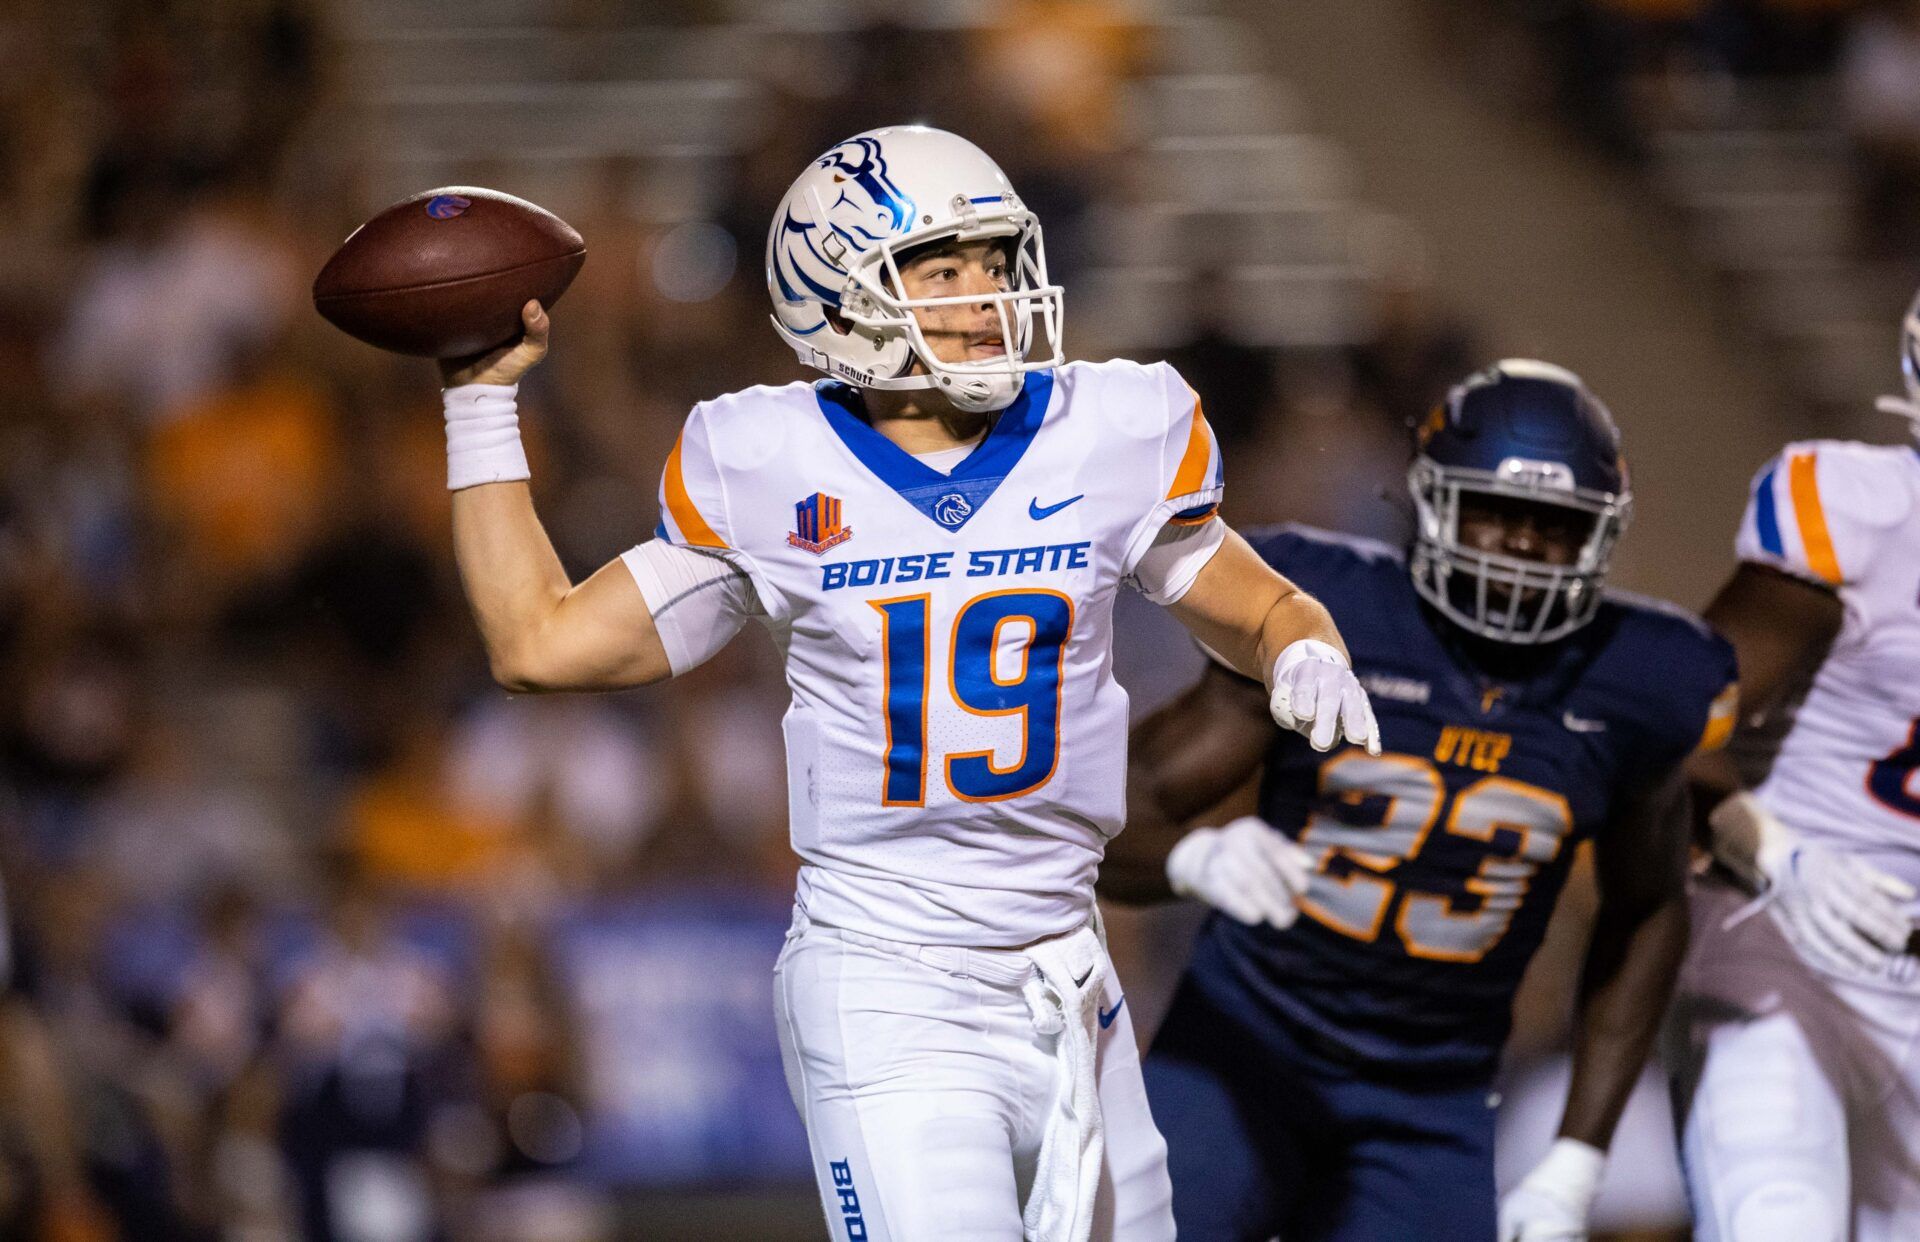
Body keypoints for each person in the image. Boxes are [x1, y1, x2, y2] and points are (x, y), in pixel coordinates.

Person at [430, 124, 1381, 1241]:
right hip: (893, 987)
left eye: (994, 261)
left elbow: (1263, 604)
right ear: (839, 298)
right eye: (942, 269)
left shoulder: (1108, 432)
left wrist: (1304, 644)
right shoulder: (769, 461)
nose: (987, 294)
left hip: (1074, 981)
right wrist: (479, 402)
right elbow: (538, 644)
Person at [1099, 360, 1740, 1242]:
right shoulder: (1333, 615)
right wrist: (1190, 859)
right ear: (1434, 504)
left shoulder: (1640, 680)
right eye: (1497, 513)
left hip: (1431, 1098)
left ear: (1600, 535)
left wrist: (1577, 1154)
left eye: (1551, 526)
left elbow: (1647, 911)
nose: (1519, 546)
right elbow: (1112, 815)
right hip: (1245, 1052)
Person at [1668, 289, 1920, 1242]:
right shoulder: (1863, 511)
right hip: (1786, 942)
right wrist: (1771, 849)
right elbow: (1672, 721)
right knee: (1775, 1221)